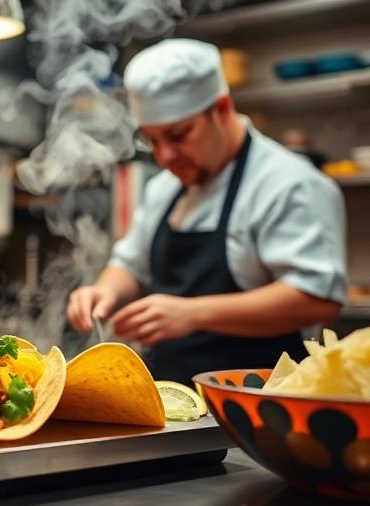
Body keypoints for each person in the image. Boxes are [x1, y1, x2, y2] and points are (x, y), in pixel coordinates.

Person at [66, 38, 347, 384]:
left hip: (257, 409)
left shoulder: (290, 183)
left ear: (223, 108)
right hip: (174, 408)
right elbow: (130, 266)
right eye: (152, 141)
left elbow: (317, 299)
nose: (165, 156)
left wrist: (194, 314)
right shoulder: (164, 188)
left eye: (179, 135)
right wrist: (104, 292)